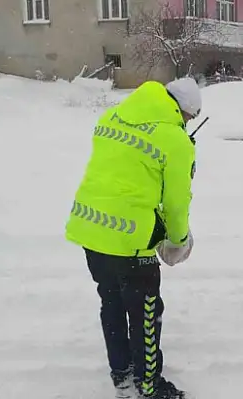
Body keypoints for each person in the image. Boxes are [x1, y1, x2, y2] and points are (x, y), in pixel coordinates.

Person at [65, 77, 202, 399]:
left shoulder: (111, 117)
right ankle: (149, 385)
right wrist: (178, 238)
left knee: (111, 301)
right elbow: (176, 202)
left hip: (90, 229)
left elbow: (123, 173)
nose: (188, 124)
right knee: (146, 312)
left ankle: (121, 370)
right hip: (130, 239)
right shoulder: (175, 140)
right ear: (184, 111)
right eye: (190, 118)